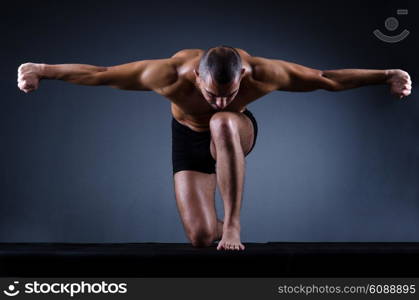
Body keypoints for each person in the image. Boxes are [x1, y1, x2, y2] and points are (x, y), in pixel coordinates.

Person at [17, 46, 412, 251]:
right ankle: (219, 230)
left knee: (223, 121)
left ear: (242, 74)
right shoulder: (166, 73)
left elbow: (327, 79)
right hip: (188, 140)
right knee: (202, 239)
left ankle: (235, 222)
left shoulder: (264, 72)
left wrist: (387, 76)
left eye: (230, 93)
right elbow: (101, 75)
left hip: (236, 134)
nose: (220, 100)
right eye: (211, 94)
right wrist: (41, 70)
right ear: (195, 76)